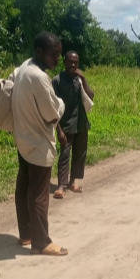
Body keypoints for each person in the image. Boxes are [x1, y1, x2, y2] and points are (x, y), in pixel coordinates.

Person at [12, 32, 68, 256]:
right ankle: (41, 242)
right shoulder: (39, 78)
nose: (58, 59)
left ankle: (26, 234)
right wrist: (61, 103)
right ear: (40, 52)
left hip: (22, 138)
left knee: (24, 187)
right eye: (54, 54)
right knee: (39, 194)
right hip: (38, 143)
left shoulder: (24, 67)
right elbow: (52, 113)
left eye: (59, 54)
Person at [52, 51, 95, 199]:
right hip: (65, 125)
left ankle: (73, 182)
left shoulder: (79, 80)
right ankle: (61, 186)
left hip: (81, 124)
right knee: (64, 155)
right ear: (64, 62)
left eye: (76, 62)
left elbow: (91, 96)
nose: (73, 65)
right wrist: (58, 129)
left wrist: (84, 79)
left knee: (80, 154)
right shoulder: (57, 81)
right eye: (70, 61)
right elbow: (52, 107)